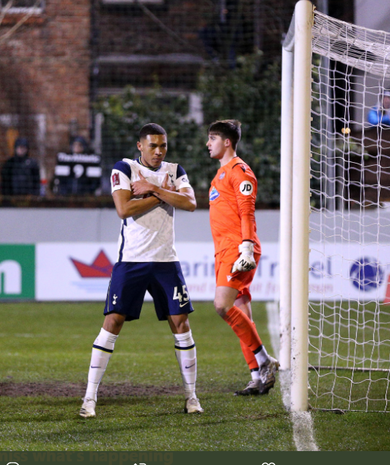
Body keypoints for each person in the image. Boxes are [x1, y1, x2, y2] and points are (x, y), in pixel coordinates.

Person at [80, 123, 203, 418]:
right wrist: (162, 194)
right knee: (113, 322)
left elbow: (190, 203)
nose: (159, 152)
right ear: (140, 146)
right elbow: (124, 209)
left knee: (181, 323)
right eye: (153, 146)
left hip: (165, 261)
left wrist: (154, 188)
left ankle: (192, 397)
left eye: (163, 146)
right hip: (132, 260)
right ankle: (89, 398)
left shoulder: (175, 169)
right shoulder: (123, 168)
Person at [206, 119, 279, 396]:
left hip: (238, 249)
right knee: (243, 315)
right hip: (225, 249)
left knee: (222, 306)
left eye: (212, 138)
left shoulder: (240, 171)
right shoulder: (220, 175)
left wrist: (246, 248)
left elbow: (247, 212)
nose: (208, 143)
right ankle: (257, 377)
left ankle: (264, 362)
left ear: (227, 142)